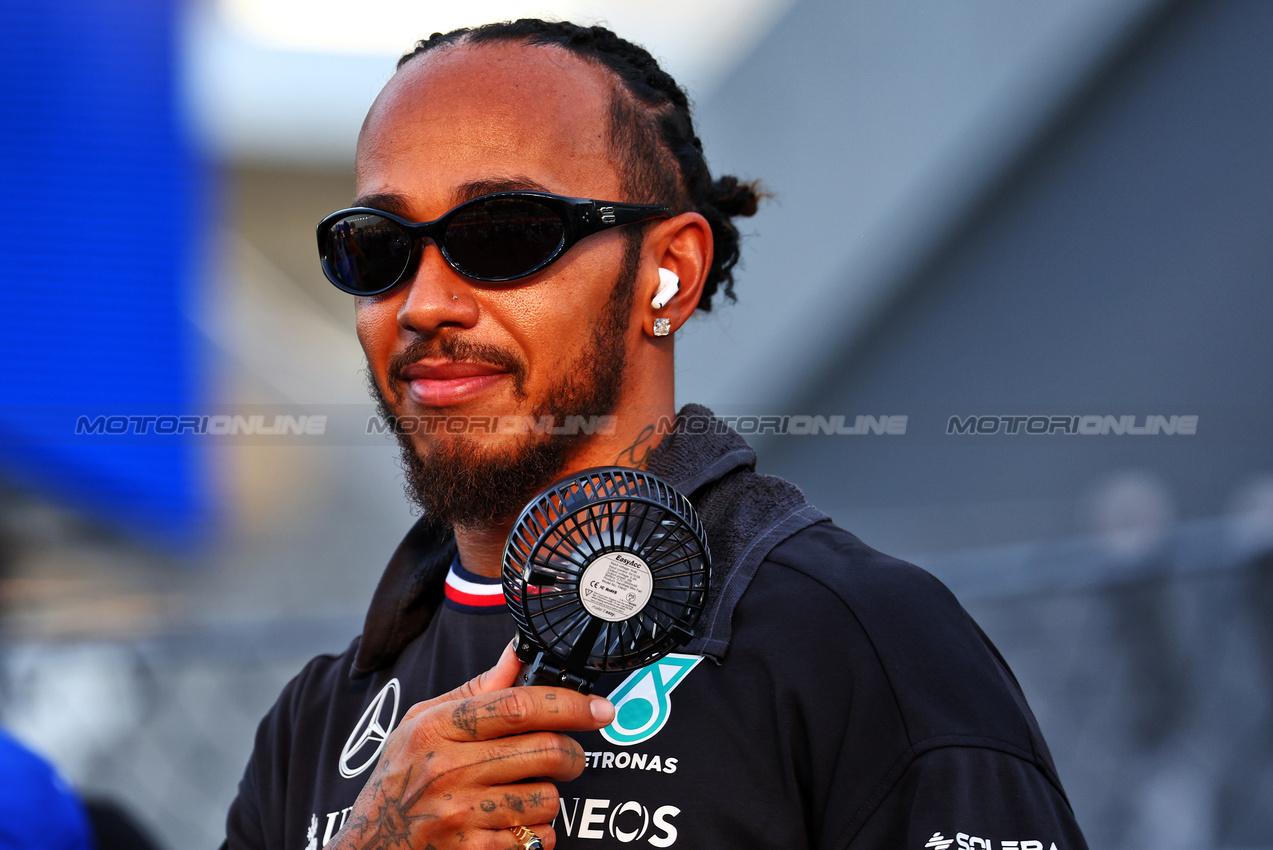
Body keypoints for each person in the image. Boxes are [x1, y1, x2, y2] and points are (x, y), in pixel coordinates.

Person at [224, 19, 1089, 850]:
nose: (423, 303)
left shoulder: (858, 639)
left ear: (668, 274)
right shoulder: (317, 718)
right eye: (376, 248)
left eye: (500, 235)